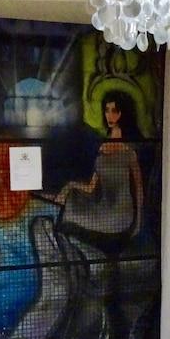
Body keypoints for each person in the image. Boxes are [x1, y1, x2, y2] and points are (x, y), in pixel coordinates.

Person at [56, 90, 144, 253]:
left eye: (115, 111)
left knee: (70, 218)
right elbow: (91, 187)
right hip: (102, 208)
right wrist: (70, 186)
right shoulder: (102, 148)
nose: (110, 115)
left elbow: (138, 188)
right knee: (70, 205)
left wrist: (138, 222)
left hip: (121, 214)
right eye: (107, 110)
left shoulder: (130, 150)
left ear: (123, 113)